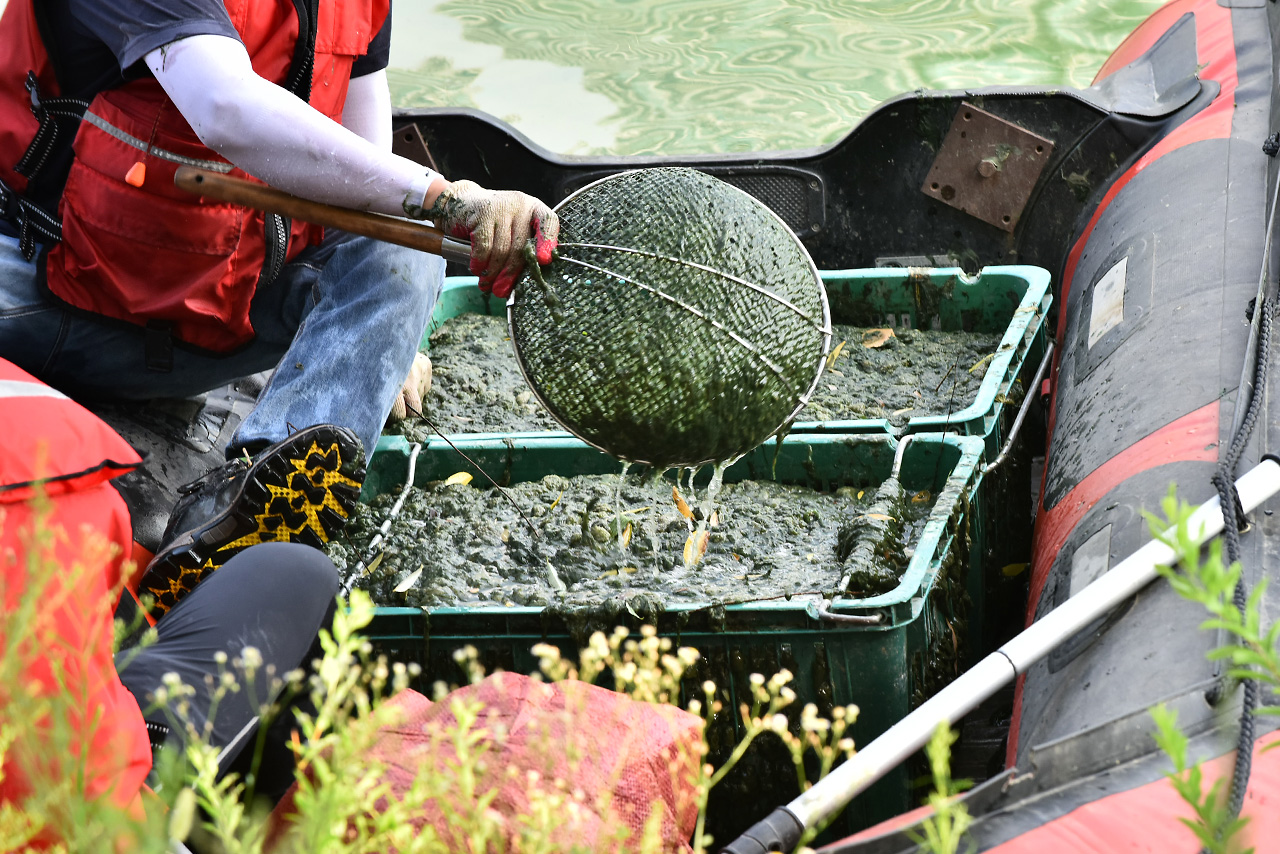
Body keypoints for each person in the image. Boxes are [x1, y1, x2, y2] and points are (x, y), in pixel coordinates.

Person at [0, 0, 559, 612]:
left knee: (407, 249)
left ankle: (245, 508)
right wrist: (442, 195)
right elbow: (226, 109)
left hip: (215, 327)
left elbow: (370, 188)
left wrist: (396, 339)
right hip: (45, 305)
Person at [0, 356, 345, 849]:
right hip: (96, 810)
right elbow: (75, 790)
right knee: (303, 574)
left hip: (75, 728)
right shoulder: (43, 476)